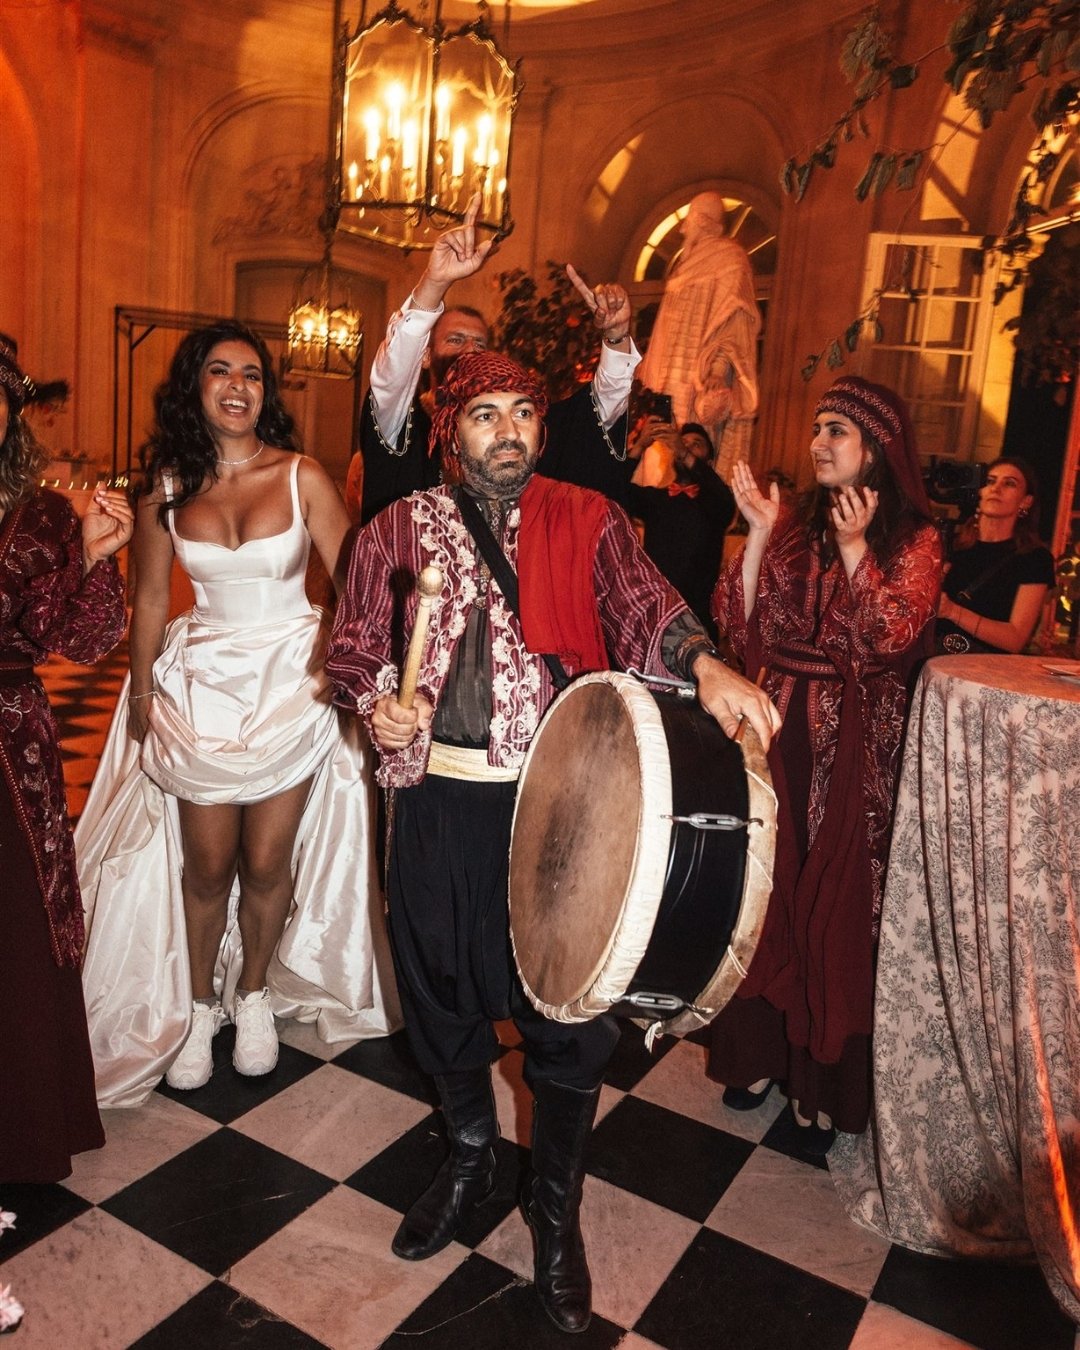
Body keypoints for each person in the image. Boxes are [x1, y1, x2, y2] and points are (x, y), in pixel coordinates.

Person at [326, 349, 779, 1333]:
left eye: (523, 413)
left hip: (559, 806)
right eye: (484, 415)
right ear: (449, 432)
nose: (509, 433)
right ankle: (473, 1152)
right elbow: (355, 648)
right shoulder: (394, 531)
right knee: (439, 997)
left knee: (570, 1017)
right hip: (440, 810)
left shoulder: (589, 518)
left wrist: (706, 664)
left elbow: (644, 606)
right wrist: (376, 708)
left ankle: (556, 1209)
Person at [78, 321, 398, 1108]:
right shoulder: (166, 487)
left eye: (252, 374)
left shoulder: (301, 475)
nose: (236, 386)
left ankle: (251, 993)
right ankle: (195, 1009)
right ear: (196, 387)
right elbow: (150, 597)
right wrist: (146, 692)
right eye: (219, 372)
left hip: (292, 684)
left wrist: (348, 663)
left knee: (265, 863)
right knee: (207, 867)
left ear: (265, 391)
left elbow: (356, 580)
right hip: (201, 690)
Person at [706, 376, 942, 1155]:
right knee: (767, 892)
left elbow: (885, 639)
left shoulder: (915, 539)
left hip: (851, 750)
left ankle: (819, 1078)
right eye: (816, 427)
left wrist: (853, 553)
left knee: (832, 904)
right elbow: (746, 632)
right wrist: (760, 539)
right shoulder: (796, 524)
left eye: (835, 429)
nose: (818, 442)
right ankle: (759, 1055)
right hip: (778, 735)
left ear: (875, 445)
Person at [0, 333, 134, 1181]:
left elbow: (80, 641)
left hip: (9, 745)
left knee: (13, 928)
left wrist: (92, 556)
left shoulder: (42, 513)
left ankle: (20, 1128)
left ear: (14, 409)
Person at [358, 194, 641, 522]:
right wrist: (435, 283)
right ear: (425, 356)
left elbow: (599, 412)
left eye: (479, 343)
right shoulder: (402, 425)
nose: (469, 351)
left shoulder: (520, 430)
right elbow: (393, 373)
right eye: (455, 340)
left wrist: (616, 334)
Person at [637, 191, 761, 480]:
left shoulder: (730, 258)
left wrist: (717, 370)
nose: (682, 229)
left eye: (688, 221)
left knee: (694, 443)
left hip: (699, 380)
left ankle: (693, 500)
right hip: (669, 379)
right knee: (660, 449)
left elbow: (733, 320)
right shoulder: (685, 264)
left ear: (704, 221)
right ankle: (655, 501)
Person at [627, 420, 735, 638]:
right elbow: (613, 490)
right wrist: (638, 447)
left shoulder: (716, 503)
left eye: (695, 444)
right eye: (682, 443)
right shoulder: (656, 499)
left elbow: (724, 498)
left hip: (697, 620)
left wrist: (685, 453)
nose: (683, 446)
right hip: (656, 616)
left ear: (709, 462)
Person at [935, 456, 1054, 654]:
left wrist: (952, 611)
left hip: (984, 671)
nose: (996, 488)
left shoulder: (1034, 558)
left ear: (1026, 501)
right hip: (931, 662)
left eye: (1009, 483)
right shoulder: (950, 543)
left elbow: (1014, 639)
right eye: (990, 481)